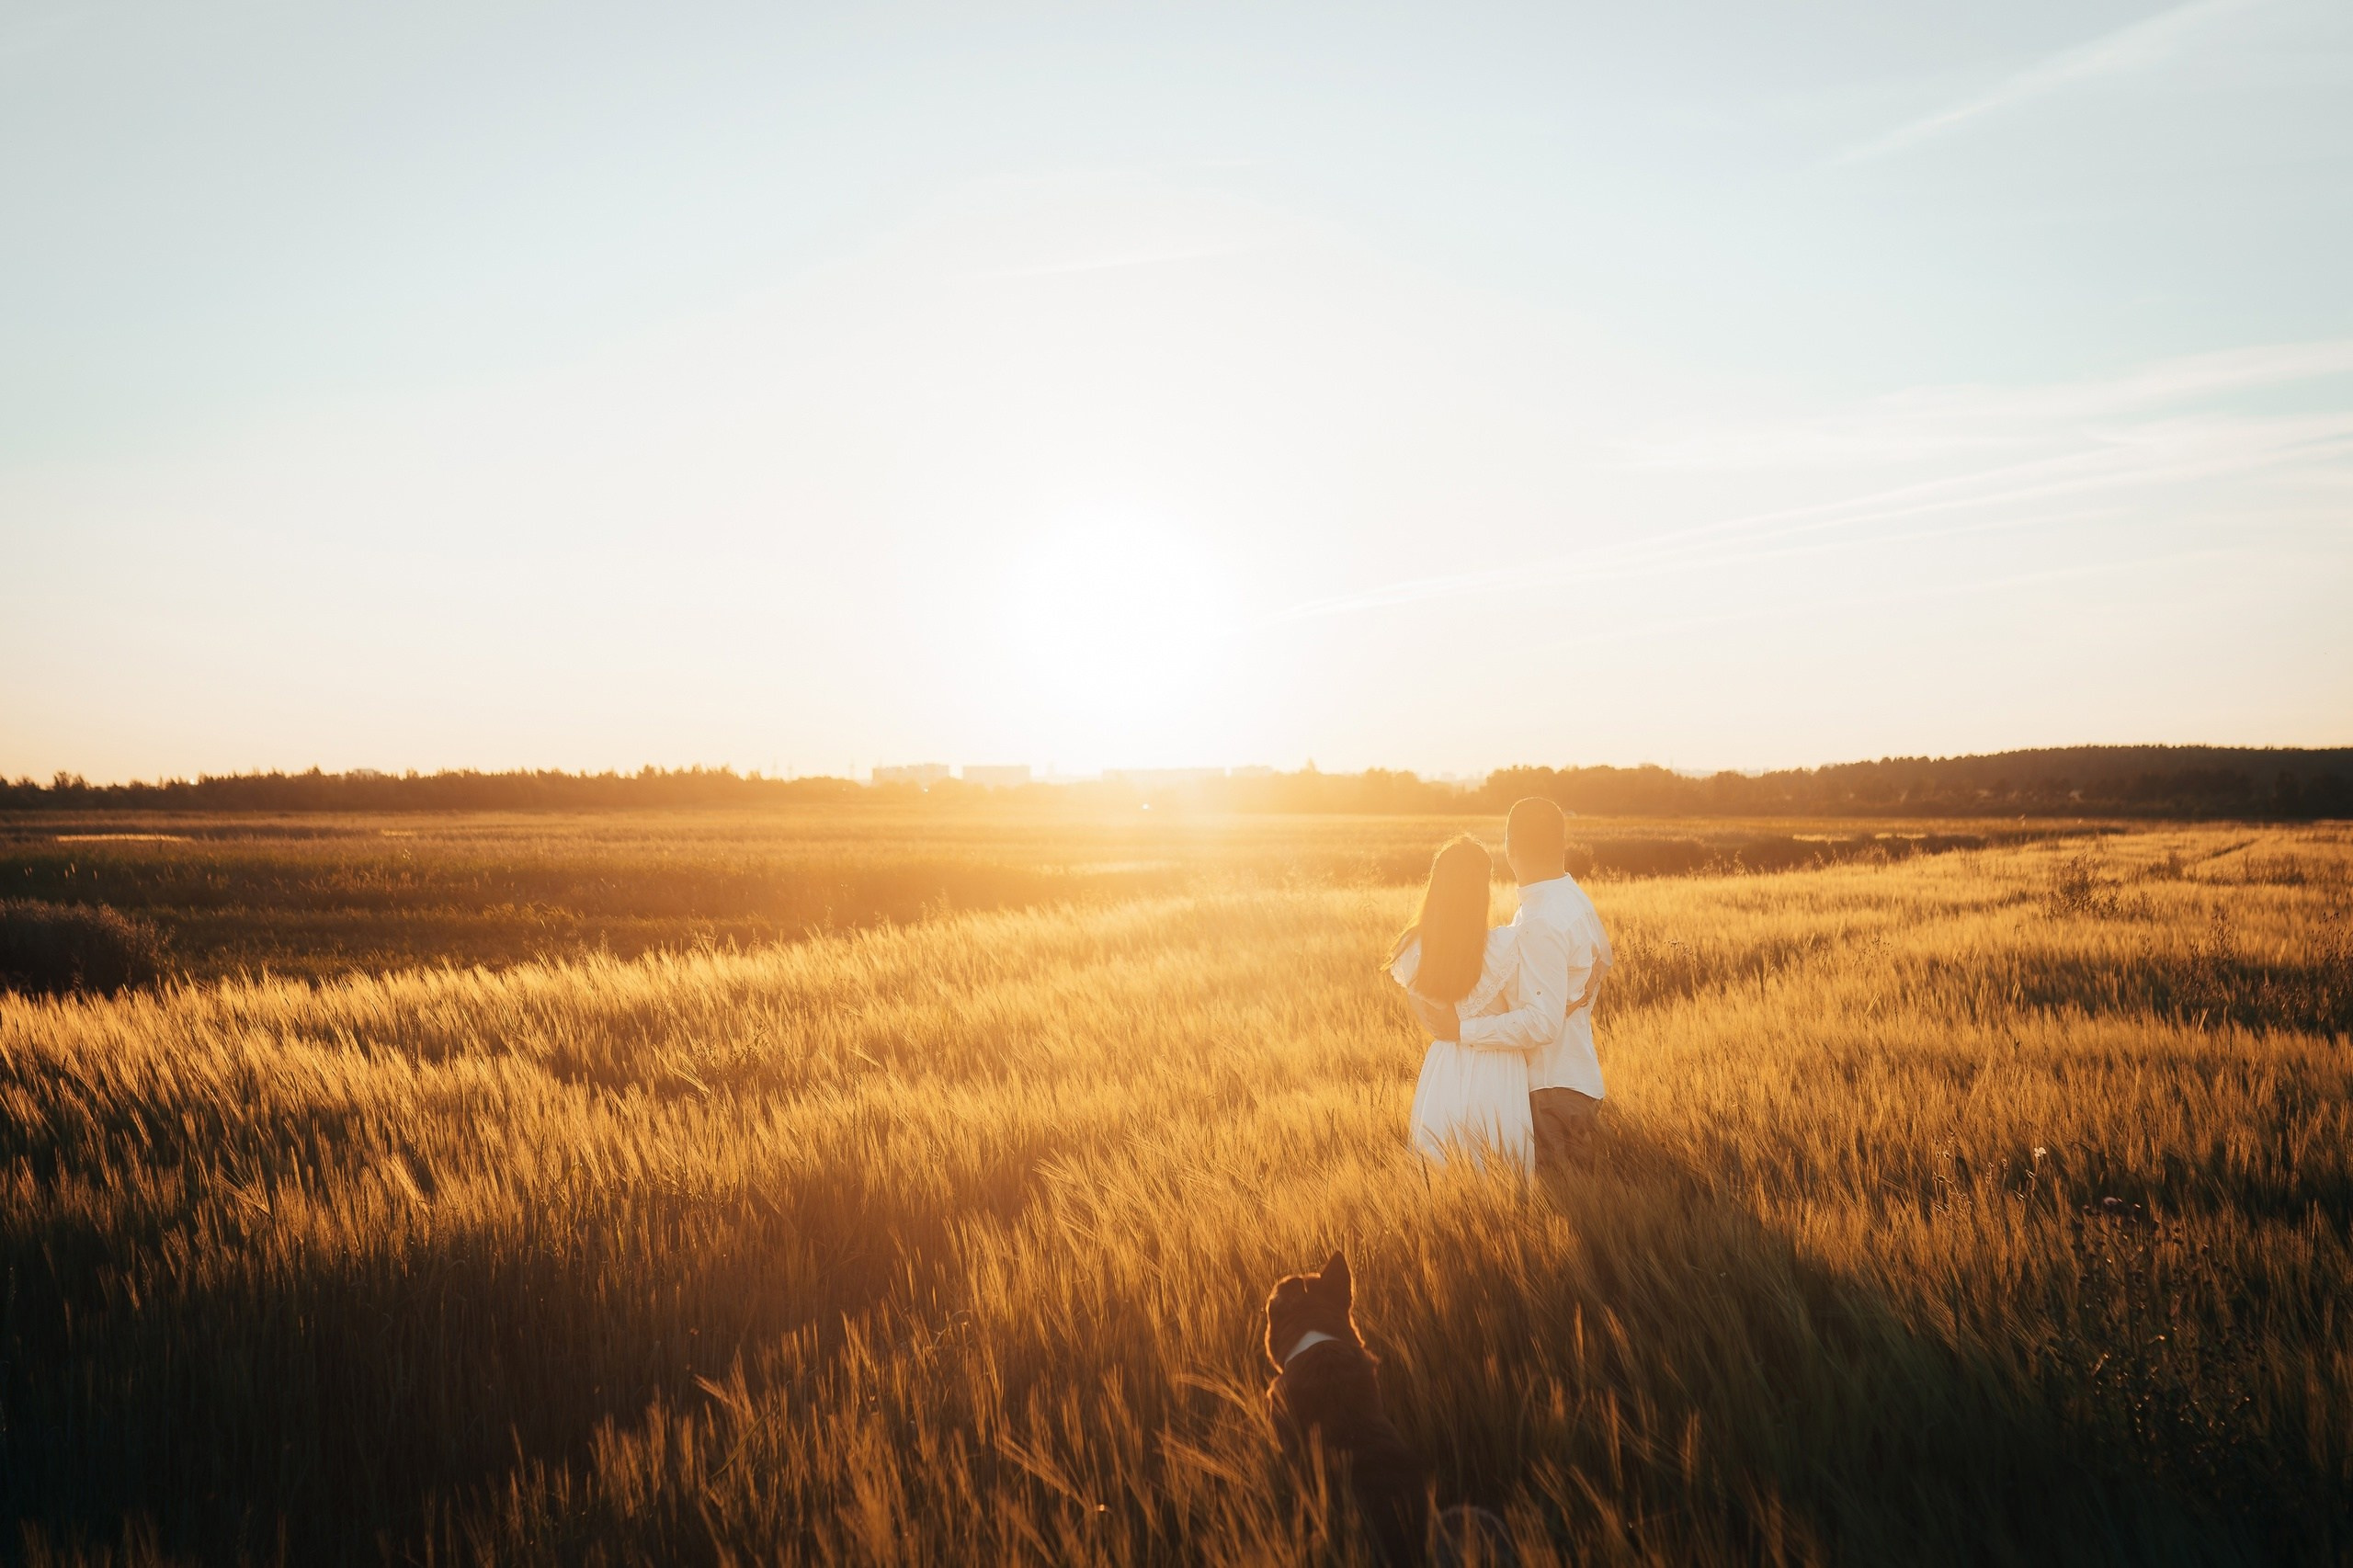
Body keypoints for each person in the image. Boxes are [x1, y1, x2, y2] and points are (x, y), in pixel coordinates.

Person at [1406, 797, 1612, 1175]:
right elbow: (1600, 961)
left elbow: (1542, 1022)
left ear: (1509, 847)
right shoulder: (1572, 901)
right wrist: (1573, 1000)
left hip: (1550, 1092)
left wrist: (1461, 1029)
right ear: (1562, 843)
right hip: (1572, 1079)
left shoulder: (1540, 920)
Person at [1388, 835, 1534, 1173]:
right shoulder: (1505, 946)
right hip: (1500, 1071)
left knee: (1439, 1180)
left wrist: (1458, 1028)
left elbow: (1435, 1024)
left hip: (1444, 1070)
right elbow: (1532, 1019)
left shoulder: (1412, 948)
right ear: (1482, 889)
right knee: (1504, 1185)